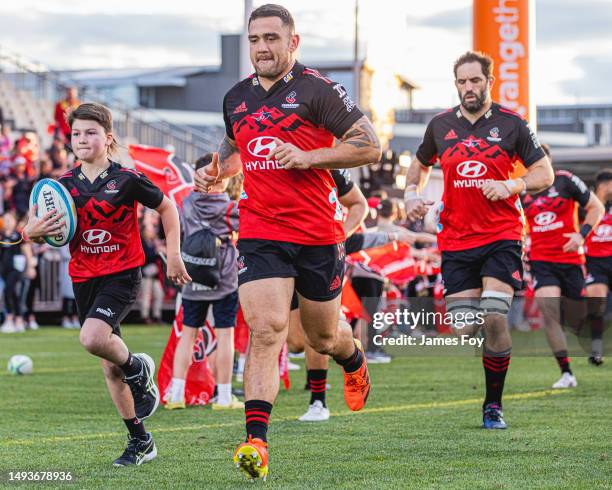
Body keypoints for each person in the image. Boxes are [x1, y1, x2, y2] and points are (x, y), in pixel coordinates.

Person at [194, 4, 380, 480]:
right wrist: (217, 174)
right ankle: (256, 441)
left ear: (292, 43)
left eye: (272, 38)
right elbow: (235, 150)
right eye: (255, 39)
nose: (262, 47)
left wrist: (308, 155)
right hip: (261, 230)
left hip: (318, 232)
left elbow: (368, 144)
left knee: (320, 337)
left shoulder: (318, 90)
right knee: (268, 330)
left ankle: (353, 359)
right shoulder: (236, 98)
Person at [23, 102, 191, 466]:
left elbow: (168, 208)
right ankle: (140, 440)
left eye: (91, 132)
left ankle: (138, 367)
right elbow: (32, 227)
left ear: (108, 137)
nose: (82, 139)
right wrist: (31, 232)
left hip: (122, 273)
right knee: (107, 365)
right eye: (76, 133)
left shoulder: (126, 179)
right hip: (84, 277)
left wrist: (174, 254)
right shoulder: (60, 186)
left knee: (92, 338)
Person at [405, 51, 554, 430]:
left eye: (475, 81)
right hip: (455, 238)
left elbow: (544, 171)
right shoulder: (440, 125)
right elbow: (420, 164)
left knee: (493, 313)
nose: (468, 88)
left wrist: (513, 184)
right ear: (455, 84)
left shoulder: (512, 124)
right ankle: (490, 360)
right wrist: (410, 193)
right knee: (463, 325)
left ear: (489, 81)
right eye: (462, 82)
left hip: (501, 235)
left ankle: (493, 405)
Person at [521, 145, 604, 388]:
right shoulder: (522, 190)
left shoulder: (566, 181)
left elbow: (596, 207)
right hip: (542, 261)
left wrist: (582, 236)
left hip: (571, 261)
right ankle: (566, 372)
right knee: (549, 312)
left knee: (576, 320)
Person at [166, 153, 242, 410]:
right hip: (224, 278)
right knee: (225, 336)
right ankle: (223, 396)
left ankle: (176, 394)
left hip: (192, 276)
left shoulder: (186, 203)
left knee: (188, 334)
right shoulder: (229, 207)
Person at [584, 169, 612, 365]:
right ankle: (596, 349)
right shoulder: (586, 205)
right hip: (594, 261)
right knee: (596, 304)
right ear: (602, 186)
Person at [0, 212, 35, 333]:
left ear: (14, 220)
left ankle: (9, 319)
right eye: (5, 220)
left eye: (9, 219)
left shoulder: (18, 234)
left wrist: (30, 266)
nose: (7, 222)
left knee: (8, 290)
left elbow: (26, 249)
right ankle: (19, 319)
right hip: (4, 269)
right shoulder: (2, 235)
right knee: (13, 294)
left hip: (16, 268)